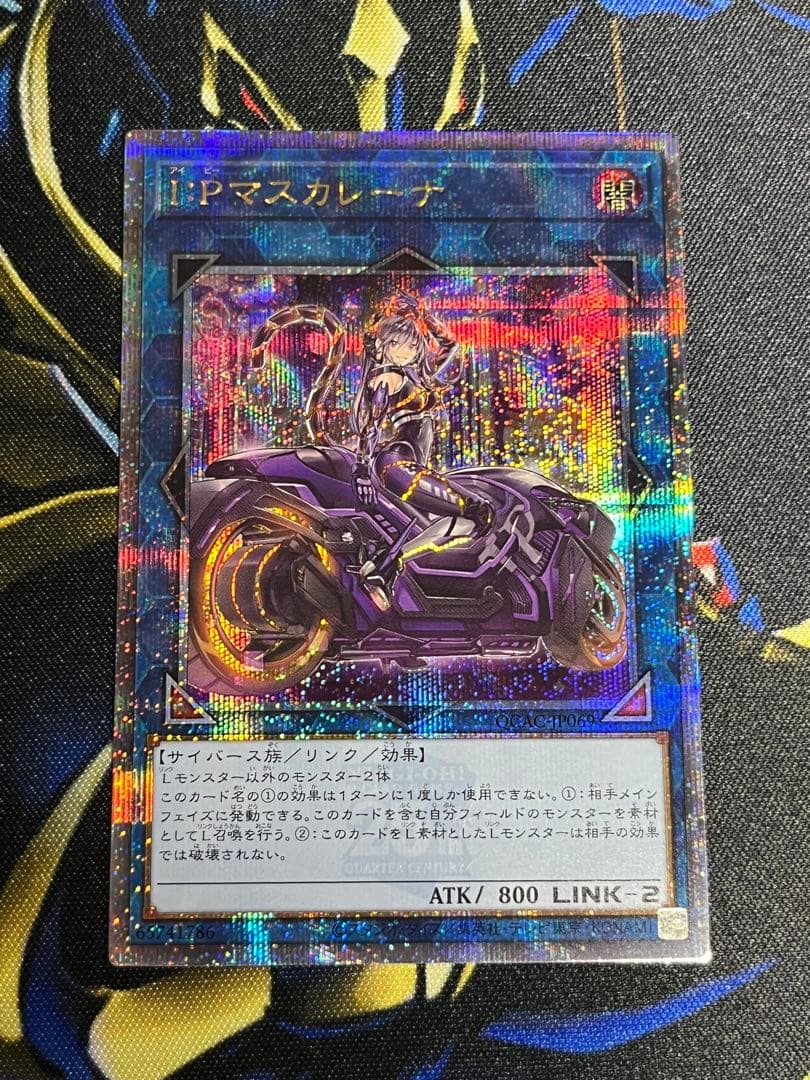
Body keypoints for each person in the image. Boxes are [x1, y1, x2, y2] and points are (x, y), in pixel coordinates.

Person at [350, 291, 494, 608]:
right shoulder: (387, 378)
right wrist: (361, 470)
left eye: (412, 345)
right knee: (479, 512)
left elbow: (451, 346)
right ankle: (385, 567)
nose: (406, 350)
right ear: (382, 346)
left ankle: (385, 567)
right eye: (397, 344)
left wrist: (425, 316)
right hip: (397, 466)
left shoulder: (415, 376)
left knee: (474, 518)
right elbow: (371, 426)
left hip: (411, 465)